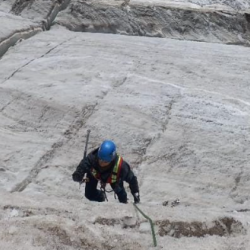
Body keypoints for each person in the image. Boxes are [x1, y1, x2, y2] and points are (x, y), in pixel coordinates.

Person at [72, 140, 140, 204]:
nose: (101, 163)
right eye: (100, 159)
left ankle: (124, 201)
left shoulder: (121, 166)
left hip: (113, 178)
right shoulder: (92, 157)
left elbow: (132, 179)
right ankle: (100, 197)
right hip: (94, 174)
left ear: (112, 160)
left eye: (105, 161)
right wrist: (78, 175)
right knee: (89, 194)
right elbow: (83, 165)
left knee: (120, 193)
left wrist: (135, 193)